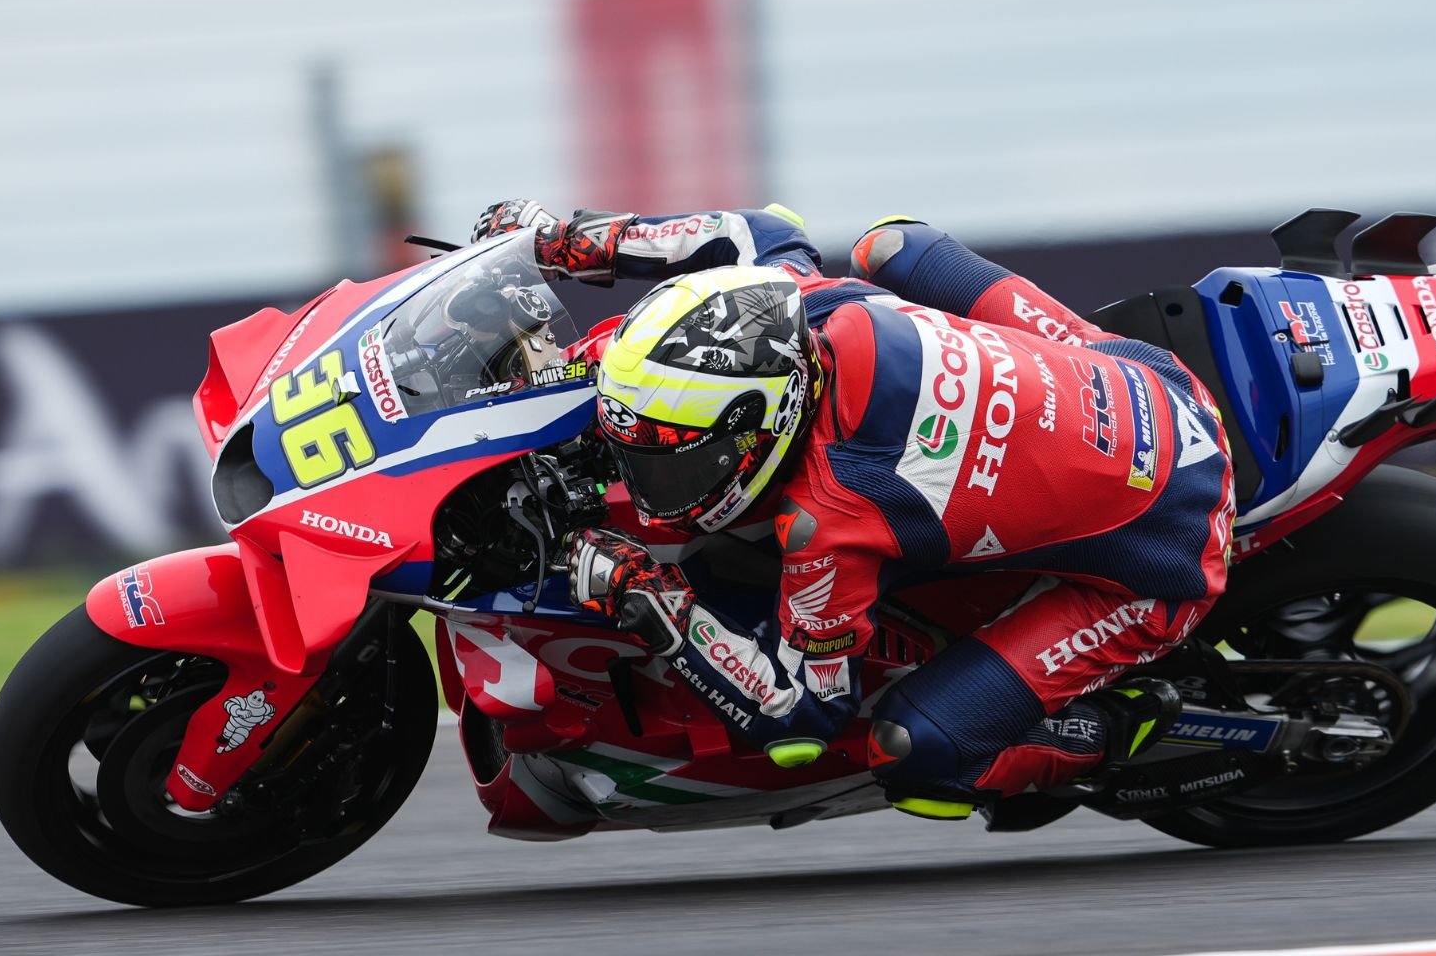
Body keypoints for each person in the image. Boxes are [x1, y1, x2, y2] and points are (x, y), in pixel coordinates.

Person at [473, 199, 1236, 818]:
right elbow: (756, 231)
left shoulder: (832, 519)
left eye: (672, 459)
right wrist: (564, 243)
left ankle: (1111, 725)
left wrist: (645, 590)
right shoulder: (808, 304)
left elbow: (796, 711)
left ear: (762, 428)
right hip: (1145, 376)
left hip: (1168, 550)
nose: (650, 482)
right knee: (887, 247)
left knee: (911, 750)